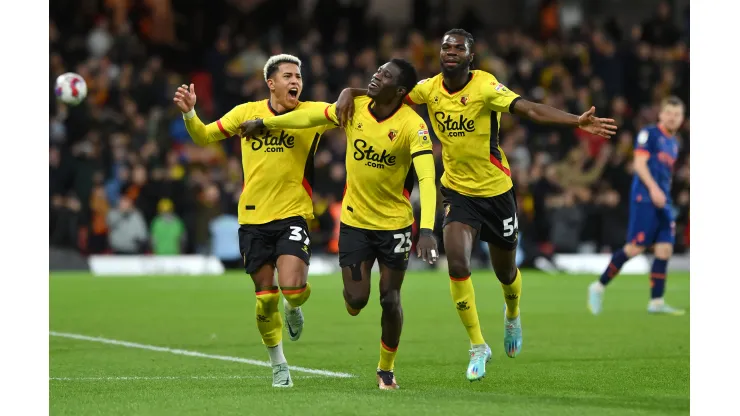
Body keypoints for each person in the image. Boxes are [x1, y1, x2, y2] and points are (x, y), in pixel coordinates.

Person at [336, 28, 617, 382]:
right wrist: (350, 91)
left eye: (458, 48)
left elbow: (528, 108)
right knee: (457, 261)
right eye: (445, 47)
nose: (450, 52)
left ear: (471, 55)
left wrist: (575, 120)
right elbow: (390, 92)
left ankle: (512, 312)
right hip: (457, 192)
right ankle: (477, 345)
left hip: (497, 192)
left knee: (506, 272)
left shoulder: (485, 86)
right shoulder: (429, 88)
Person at [239, 58, 439, 390]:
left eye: (385, 75)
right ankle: (338, 301)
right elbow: (308, 116)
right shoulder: (355, 106)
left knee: (390, 298)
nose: (376, 75)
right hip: (355, 221)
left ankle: (386, 370)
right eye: (377, 70)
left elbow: (428, 178)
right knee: (356, 302)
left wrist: (429, 229)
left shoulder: (412, 126)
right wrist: (267, 122)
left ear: (401, 90)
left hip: (395, 225)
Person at [174, 54, 357, 388]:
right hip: (253, 218)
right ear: (271, 83)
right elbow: (202, 136)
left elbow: (339, 110)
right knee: (265, 296)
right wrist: (190, 113)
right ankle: (278, 364)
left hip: (292, 214)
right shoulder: (246, 112)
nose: (295, 82)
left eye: (299, 76)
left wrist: (348, 92)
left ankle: (294, 307)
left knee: (294, 290)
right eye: (288, 76)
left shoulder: (309, 113)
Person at [588, 96, 685, 316]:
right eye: (669, 113)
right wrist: (653, 189)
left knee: (665, 249)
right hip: (646, 198)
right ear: (661, 114)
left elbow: (665, 174)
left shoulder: (673, 143)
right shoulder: (649, 134)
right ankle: (598, 286)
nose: (672, 118)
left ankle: (656, 302)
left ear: (682, 118)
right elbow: (639, 165)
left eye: (677, 114)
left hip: (663, 199)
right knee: (635, 248)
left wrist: (664, 193)